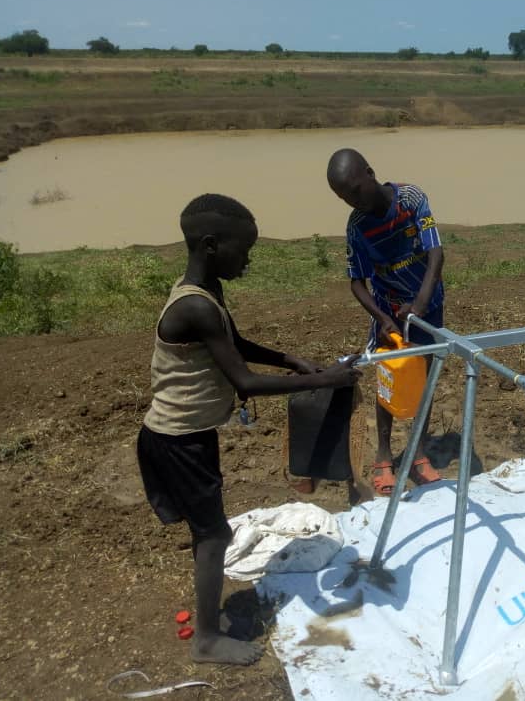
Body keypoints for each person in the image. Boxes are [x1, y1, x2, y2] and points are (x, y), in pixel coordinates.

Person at [137, 193, 361, 666]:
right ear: (212, 245)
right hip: (178, 441)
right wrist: (326, 379)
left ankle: (208, 622)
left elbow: (233, 343)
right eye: (245, 249)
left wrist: (290, 360)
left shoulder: (205, 294)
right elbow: (243, 380)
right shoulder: (194, 306)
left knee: (208, 530)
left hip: (187, 436)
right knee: (214, 534)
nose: (249, 259)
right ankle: (205, 639)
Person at [327, 148, 445, 494]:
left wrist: (421, 305)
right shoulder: (358, 227)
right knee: (389, 379)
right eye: (343, 196)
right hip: (389, 310)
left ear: (370, 172)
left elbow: (436, 253)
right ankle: (383, 456)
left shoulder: (411, 199)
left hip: (427, 304)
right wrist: (381, 317)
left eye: (355, 189)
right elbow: (356, 281)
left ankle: (420, 454)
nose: (353, 200)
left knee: (423, 376)